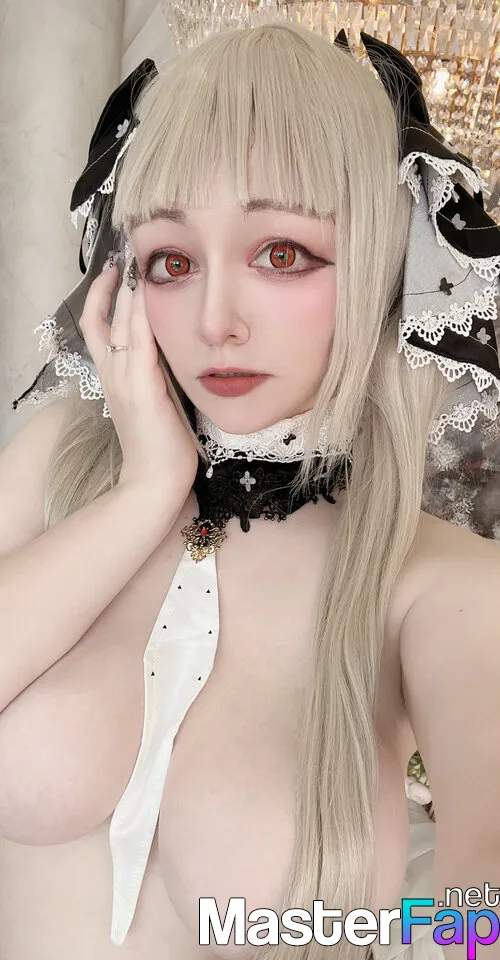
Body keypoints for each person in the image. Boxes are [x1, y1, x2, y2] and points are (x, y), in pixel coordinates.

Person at [0, 20, 499, 960]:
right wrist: (146, 489)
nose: (215, 321)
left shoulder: (437, 584)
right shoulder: (60, 464)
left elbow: (486, 916)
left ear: (383, 266)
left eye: (282, 255)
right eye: (172, 261)